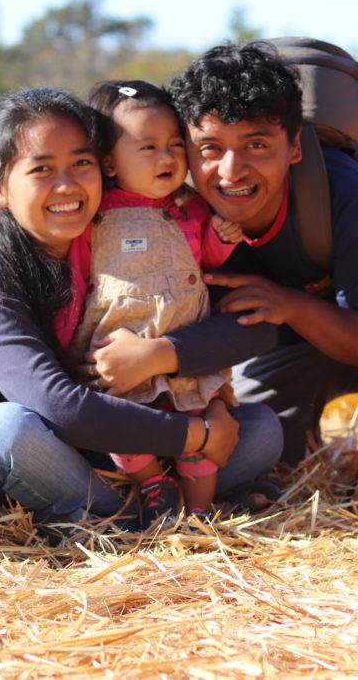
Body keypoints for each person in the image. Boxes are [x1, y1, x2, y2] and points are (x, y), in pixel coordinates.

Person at [84, 42, 358, 525]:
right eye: (209, 148)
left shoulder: (344, 190)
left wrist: (292, 305)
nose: (231, 170)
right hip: (277, 342)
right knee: (266, 452)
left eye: (257, 145)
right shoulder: (170, 216)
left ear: (294, 147)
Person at [0, 86, 283, 534]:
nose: (67, 185)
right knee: (9, 428)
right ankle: (136, 519)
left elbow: (255, 330)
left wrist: (169, 364)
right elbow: (58, 407)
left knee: (260, 428)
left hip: (92, 454)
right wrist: (197, 437)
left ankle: (122, 507)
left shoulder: (116, 238)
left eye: (81, 164)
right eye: (42, 170)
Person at [66, 79, 249, 526]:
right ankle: (152, 484)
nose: (167, 157)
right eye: (147, 147)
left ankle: (201, 513)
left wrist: (224, 239)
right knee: (123, 430)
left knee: (205, 440)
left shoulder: (192, 208)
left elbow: (205, 261)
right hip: (118, 354)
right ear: (109, 162)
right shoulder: (95, 212)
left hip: (182, 351)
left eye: (174, 145)